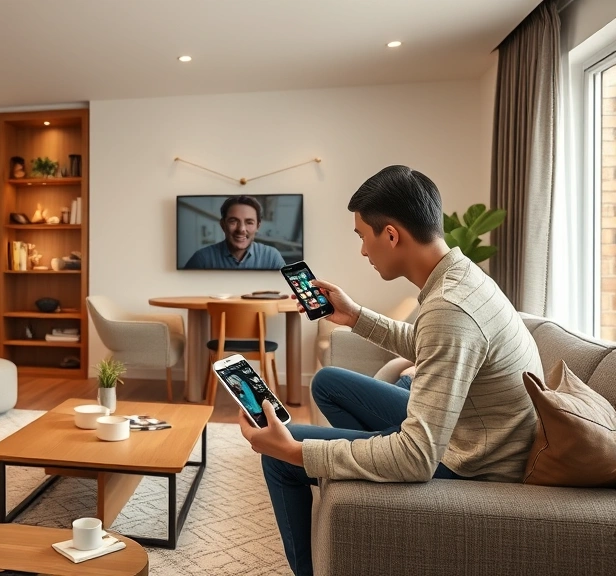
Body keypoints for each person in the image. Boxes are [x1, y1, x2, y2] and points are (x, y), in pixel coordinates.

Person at [237, 165, 541, 576]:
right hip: (466, 430)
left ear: (392, 234)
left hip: (473, 459)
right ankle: (370, 456)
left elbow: (417, 457)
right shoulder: (462, 276)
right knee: (328, 382)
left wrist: (294, 451)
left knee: (279, 454)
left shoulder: (451, 309)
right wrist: (355, 316)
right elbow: (426, 343)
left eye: (363, 236)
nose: (363, 250)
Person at [184, 195, 287, 269]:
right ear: (223, 225)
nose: (241, 229)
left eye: (249, 222)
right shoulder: (201, 259)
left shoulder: (272, 257)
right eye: (233, 221)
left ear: (258, 226)